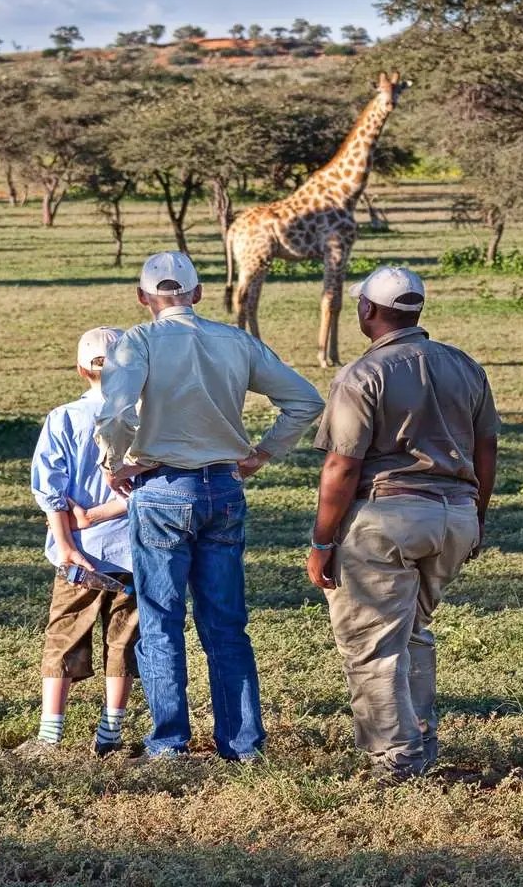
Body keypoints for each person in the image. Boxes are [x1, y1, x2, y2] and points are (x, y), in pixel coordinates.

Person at [95, 251, 324, 761]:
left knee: (160, 621)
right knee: (225, 624)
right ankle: (242, 744)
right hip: (223, 488)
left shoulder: (138, 341)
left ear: (142, 297)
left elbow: (116, 415)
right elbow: (305, 401)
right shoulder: (235, 340)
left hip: (159, 491)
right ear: (197, 294)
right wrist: (262, 454)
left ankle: (169, 744)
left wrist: (114, 464)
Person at [305, 266, 499, 781]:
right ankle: (419, 743)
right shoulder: (465, 366)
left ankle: (396, 762)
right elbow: (486, 448)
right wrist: (474, 519)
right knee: (411, 633)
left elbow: (342, 465)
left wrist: (322, 540)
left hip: (386, 518)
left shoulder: (362, 375)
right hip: (454, 518)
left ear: (367, 310)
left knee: (372, 643)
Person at [20, 326, 136, 757]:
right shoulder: (145, 418)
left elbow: (48, 487)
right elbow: (150, 486)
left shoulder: (63, 418)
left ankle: (50, 735)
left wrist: (67, 537)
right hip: (135, 549)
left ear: (79, 370)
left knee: (63, 636)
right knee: (124, 640)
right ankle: (110, 734)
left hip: (78, 554)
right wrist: (106, 512)